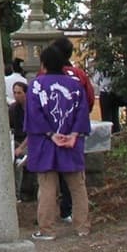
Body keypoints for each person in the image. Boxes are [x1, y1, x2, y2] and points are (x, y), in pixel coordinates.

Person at [26, 43, 91, 240]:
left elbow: (34, 114)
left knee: (47, 187)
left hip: (45, 143)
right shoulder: (75, 85)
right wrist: (73, 134)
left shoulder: (36, 85)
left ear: (43, 64)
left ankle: (47, 229)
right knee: (77, 187)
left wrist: (50, 134)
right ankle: (82, 227)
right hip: (71, 141)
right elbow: (82, 113)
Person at [9, 79, 28, 200]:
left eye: (19, 93)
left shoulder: (32, 108)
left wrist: (21, 147)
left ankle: (17, 194)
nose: (16, 95)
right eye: (15, 93)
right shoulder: (13, 109)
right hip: (17, 141)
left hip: (30, 142)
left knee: (20, 159)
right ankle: (14, 194)